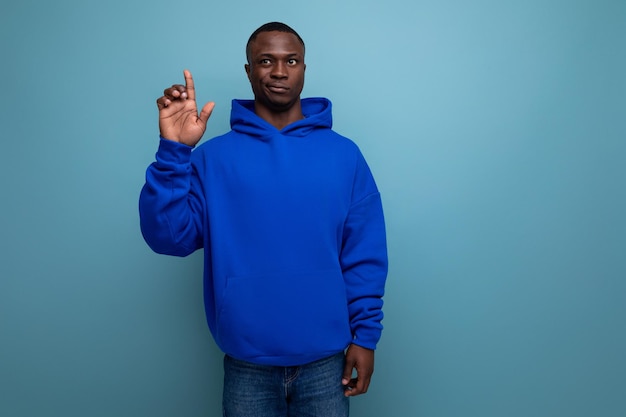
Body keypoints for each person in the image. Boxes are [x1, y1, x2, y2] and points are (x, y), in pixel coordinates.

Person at [139, 22, 387, 417]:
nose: (279, 71)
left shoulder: (344, 156)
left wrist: (366, 336)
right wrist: (174, 150)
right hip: (246, 362)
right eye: (265, 61)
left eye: (291, 60)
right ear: (249, 70)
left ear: (304, 67)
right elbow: (169, 238)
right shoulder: (213, 159)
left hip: (326, 361)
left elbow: (364, 253)